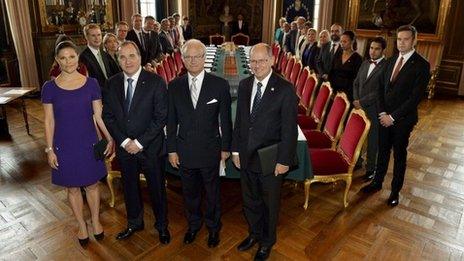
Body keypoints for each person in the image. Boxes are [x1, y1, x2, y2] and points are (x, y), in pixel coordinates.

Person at [42, 40, 113, 247]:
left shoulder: (91, 84)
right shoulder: (49, 87)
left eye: (71, 56)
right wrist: (49, 149)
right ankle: (82, 225)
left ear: (78, 58)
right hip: (64, 144)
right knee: (72, 188)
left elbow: (99, 117)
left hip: (88, 142)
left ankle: (96, 221)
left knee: (92, 185)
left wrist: (109, 138)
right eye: (63, 58)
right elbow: (49, 120)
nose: (68, 61)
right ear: (57, 60)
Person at [231, 43, 298, 260]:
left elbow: (289, 128)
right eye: (253, 61)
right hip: (246, 155)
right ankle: (254, 234)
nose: (256, 65)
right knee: (250, 200)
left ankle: (267, 242)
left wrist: (284, 160)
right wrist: (235, 151)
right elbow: (239, 122)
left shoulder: (285, 89)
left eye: (261, 61)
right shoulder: (244, 85)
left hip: (270, 159)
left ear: (272, 61)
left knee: (269, 204)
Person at [102, 41, 171, 244]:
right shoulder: (111, 83)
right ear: (118, 60)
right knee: (130, 188)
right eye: (122, 57)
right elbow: (108, 116)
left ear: (140, 57)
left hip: (150, 147)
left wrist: (139, 142)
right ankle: (134, 222)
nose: (128, 61)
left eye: (131, 56)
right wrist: (124, 142)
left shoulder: (156, 82)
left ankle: (161, 226)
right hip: (125, 149)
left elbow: (160, 117)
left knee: (157, 189)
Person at [167, 39, 232, 248]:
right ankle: (193, 226)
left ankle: (214, 228)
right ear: (183, 59)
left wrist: (225, 148)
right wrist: (171, 150)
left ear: (204, 58)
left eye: (197, 56)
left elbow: (225, 120)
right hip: (184, 150)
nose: (193, 60)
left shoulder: (219, 84)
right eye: (188, 57)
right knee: (190, 193)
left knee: (212, 194)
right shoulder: (174, 86)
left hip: (210, 150)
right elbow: (170, 121)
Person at [361, 25, 430, 207]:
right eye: (399, 39)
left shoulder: (422, 65)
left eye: (406, 39)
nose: (402, 43)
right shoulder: (391, 61)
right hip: (383, 117)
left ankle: (394, 192)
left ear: (414, 40)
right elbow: (380, 89)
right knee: (382, 152)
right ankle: (377, 182)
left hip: (402, 120)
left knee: (399, 156)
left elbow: (414, 98)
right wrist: (383, 113)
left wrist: (392, 117)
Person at [353, 37, 387, 181]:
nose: (373, 51)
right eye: (371, 48)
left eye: (376, 49)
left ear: (383, 50)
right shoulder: (365, 62)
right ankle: (358, 161)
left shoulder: (386, 66)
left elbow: (380, 91)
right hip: (359, 107)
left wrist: (362, 101)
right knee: (357, 135)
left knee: (373, 140)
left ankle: (371, 169)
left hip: (374, 108)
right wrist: (355, 100)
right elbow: (356, 82)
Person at [79, 23, 120, 92]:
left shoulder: (105, 54)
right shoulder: (83, 57)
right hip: (96, 94)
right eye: (93, 35)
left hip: (111, 92)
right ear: (86, 37)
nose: (97, 38)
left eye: (99, 35)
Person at [328, 30, 362, 101]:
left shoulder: (357, 58)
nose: (342, 44)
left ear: (352, 42)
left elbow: (356, 79)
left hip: (348, 94)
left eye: (345, 41)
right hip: (334, 92)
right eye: (341, 41)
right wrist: (331, 89)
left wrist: (346, 94)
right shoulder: (337, 54)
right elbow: (331, 72)